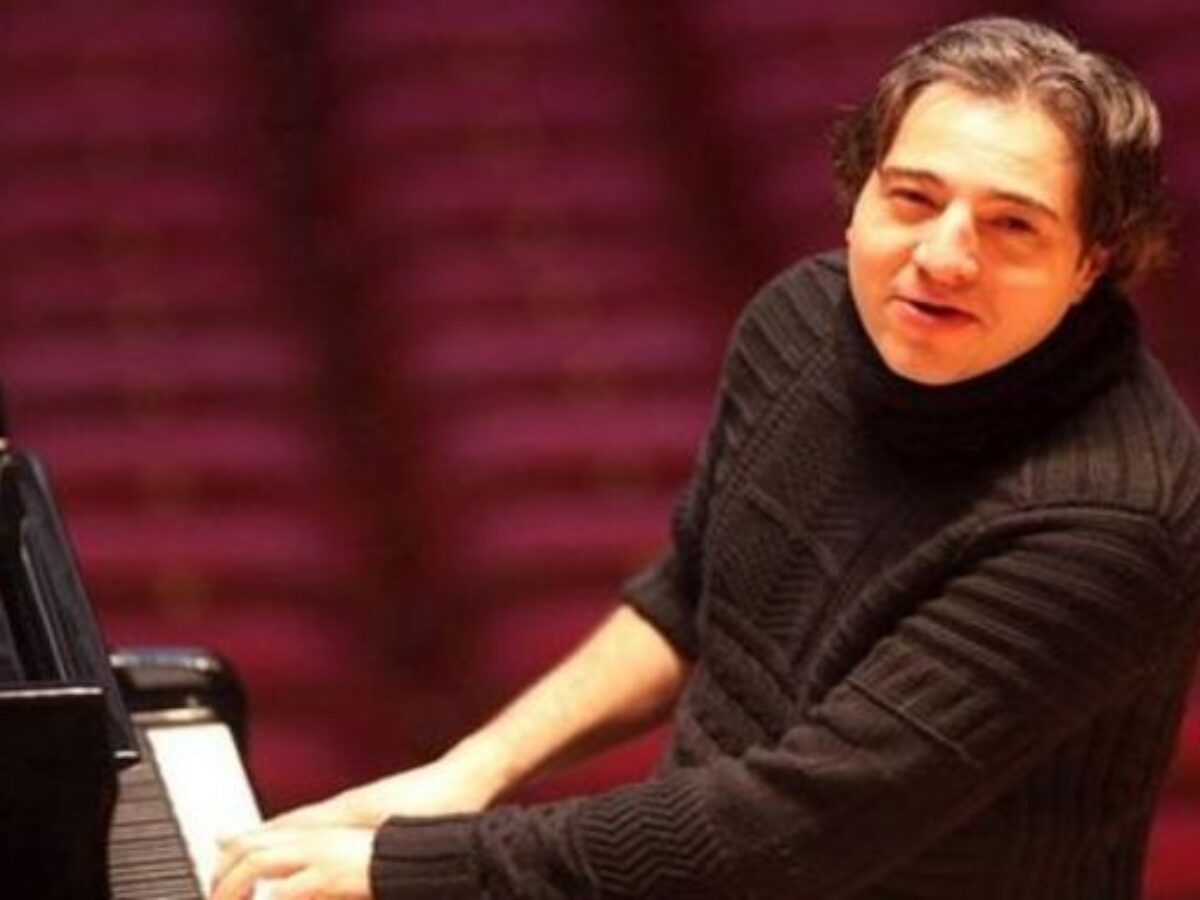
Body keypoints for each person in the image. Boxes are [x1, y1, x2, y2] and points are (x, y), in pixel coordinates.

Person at [212, 16, 1200, 899]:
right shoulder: (805, 322)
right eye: (913, 198)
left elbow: (800, 823)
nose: (943, 256)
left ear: (1093, 262)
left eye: (1012, 225)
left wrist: (407, 867)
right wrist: (469, 771)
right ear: (858, 195)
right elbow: (690, 595)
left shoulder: (1107, 527)